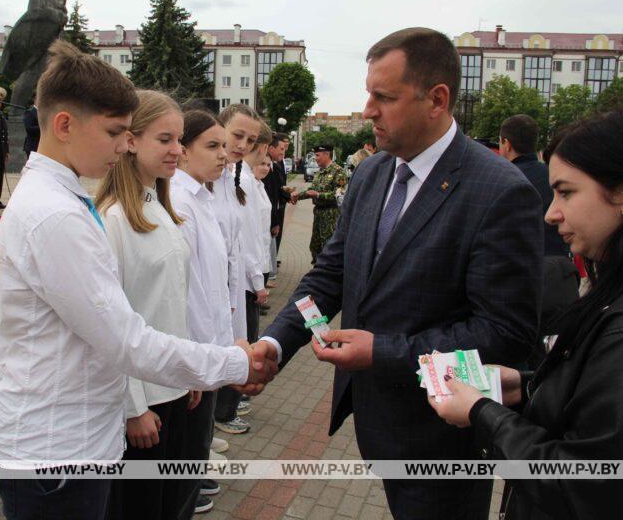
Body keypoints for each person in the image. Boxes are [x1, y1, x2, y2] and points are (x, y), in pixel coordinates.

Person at [251, 27, 544, 520]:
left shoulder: (499, 191)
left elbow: (506, 334)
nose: (368, 110)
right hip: (374, 420)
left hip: (440, 438)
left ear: (437, 99)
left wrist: (382, 353)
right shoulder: (372, 172)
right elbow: (329, 274)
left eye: (383, 97)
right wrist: (276, 343)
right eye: (369, 93)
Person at [0, 41, 276, 520]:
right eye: (115, 131)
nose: (124, 145)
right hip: (55, 452)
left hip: (74, 441)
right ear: (64, 125)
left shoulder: (65, 199)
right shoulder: (55, 215)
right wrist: (232, 364)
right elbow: (127, 340)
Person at [430, 111, 623, 520]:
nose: (551, 214)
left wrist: (481, 413)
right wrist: (524, 386)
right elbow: (593, 405)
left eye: (566, 193)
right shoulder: (607, 291)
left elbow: (584, 481)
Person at [97, 90, 198, 520]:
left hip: (173, 384)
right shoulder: (115, 219)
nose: (178, 149)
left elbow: (175, 299)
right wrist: (133, 406)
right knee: (139, 508)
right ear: (132, 141)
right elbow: (109, 323)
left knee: (166, 505)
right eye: (165, 139)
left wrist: (191, 368)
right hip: (144, 400)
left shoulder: (160, 208)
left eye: (179, 139)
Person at [170, 109, 234, 515]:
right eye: (212, 146)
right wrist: (199, 358)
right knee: (186, 450)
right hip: (194, 353)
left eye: (224, 146)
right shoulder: (180, 200)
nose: (224, 155)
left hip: (208, 350)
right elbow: (186, 292)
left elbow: (213, 282)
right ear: (184, 151)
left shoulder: (200, 194)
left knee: (196, 446)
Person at [499, 114, 579, 366]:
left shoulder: (501, 180)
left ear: (506, 143)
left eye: (565, 194)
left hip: (522, 282)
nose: (551, 215)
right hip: (563, 277)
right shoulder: (550, 174)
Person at [212, 103, 266, 435]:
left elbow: (241, 241)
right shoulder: (208, 181)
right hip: (218, 291)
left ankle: (204, 438)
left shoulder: (229, 179)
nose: (243, 145)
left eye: (250, 139)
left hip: (232, 289)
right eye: (237, 135)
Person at [290, 146, 346, 263]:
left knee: (328, 247)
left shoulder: (338, 171)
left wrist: (319, 195)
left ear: (326, 155)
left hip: (331, 215)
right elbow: (311, 190)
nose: (315, 158)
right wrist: (297, 196)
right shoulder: (320, 172)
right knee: (315, 246)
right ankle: (317, 271)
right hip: (318, 214)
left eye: (317, 155)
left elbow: (339, 196)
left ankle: (328, 275)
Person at [263, 133, 290, 288]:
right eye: (281, 148)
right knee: (265, 255)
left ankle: (264, 285)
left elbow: (275, 193)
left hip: (273, 216)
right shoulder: (266, 168)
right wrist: (275, 222)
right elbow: (269, 200)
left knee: (269, 253)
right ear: (271, 148)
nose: (283, 152)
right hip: (268, 219)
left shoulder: (275, 165)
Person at [254, 153, 274, 311]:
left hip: (263, 247)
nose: (266, 168)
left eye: (268, 165)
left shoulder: (261, 185)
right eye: (262, 164)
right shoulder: (248, 186)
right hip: (254, 252)